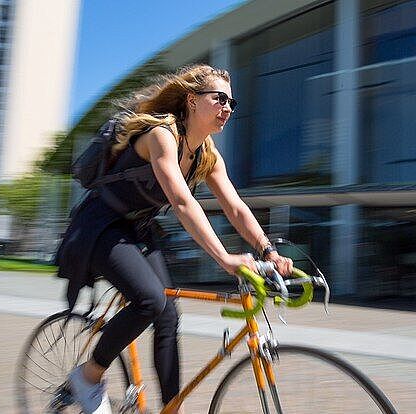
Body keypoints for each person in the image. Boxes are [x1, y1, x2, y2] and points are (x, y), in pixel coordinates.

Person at [56, 64, 294, 413]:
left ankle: (171, 408)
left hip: (137, 230)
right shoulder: (160, 135)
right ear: (192, 101)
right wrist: (226, 259)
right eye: (219, 99)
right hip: (101, 225)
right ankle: (88, 378)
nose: (227, 107)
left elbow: (236, 208)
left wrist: (268, 251)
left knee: (167, 315)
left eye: (232, 102)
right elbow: (183, 202)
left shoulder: (207, 155)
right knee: (150, 301)